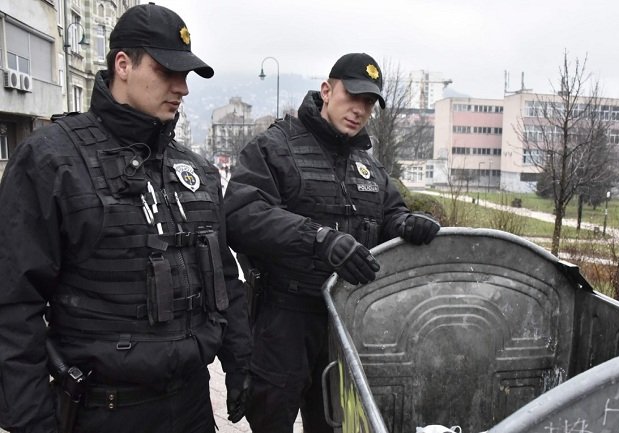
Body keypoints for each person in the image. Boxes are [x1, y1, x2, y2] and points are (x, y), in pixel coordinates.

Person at [0, 4, 251, 433]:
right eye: (167, 71)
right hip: (104, 410)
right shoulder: (51, 160)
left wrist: (241, 363)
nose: (182, 88)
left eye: (186, 75)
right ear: (123, 65)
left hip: (191, 405)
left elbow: (223, 279)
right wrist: (31, 420)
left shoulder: (195, 171)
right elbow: (13, 303)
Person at [224, 52, 441, 433]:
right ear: (327, 91)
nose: (359, 110)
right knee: (271, 421)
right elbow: (241, 215)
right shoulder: (276, 147)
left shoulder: (368, 165)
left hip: (345, 324)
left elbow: (388, 214)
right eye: (352, 97)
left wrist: (406, 224)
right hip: (284, 320)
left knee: (338, 427)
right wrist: (318, 239)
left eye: (369, 103)